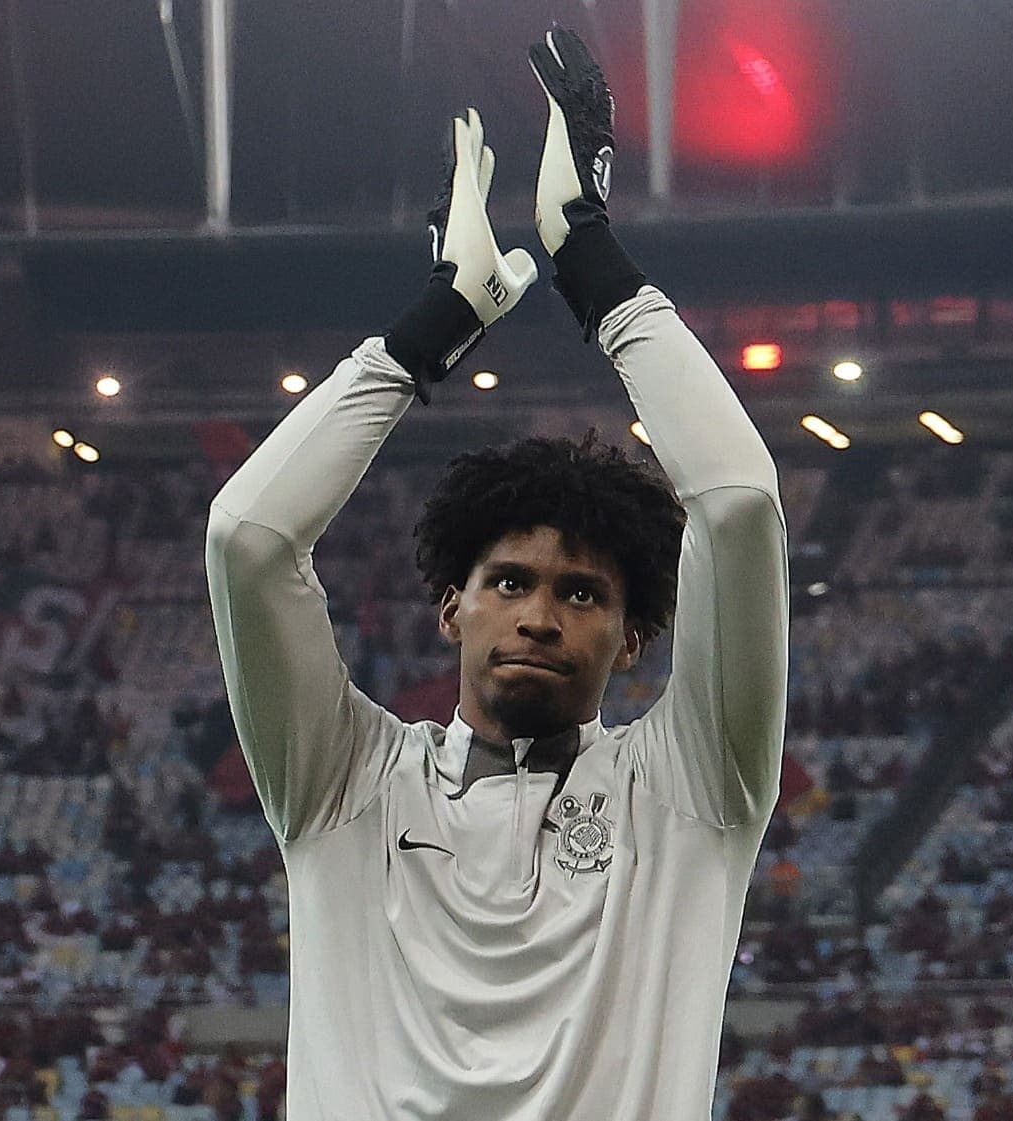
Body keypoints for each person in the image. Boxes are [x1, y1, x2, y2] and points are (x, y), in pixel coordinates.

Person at [204, 27, 788, 1121]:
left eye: (583, 592)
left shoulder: (695, 787)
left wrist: (591, 264)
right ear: (450, 606)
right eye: (510, 580)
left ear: (631, 636)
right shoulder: (342, 784)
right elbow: (247, 539)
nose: (539, 612)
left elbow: (739, 504)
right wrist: (435, 323)